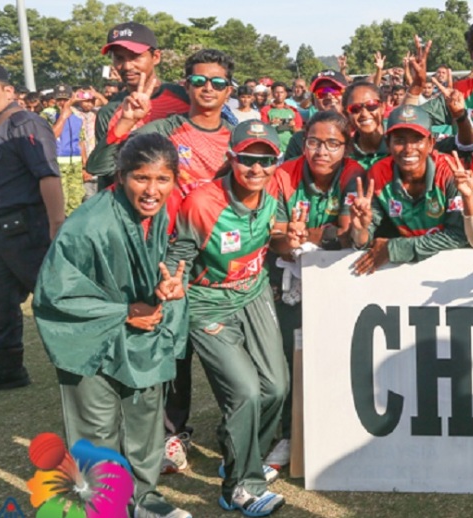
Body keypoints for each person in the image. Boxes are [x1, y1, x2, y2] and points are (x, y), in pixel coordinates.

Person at [86, 49, 237, 476]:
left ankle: (235, 429)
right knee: (172, 349)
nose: (208, 88)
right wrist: (126, 124)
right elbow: (101, 166)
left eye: (218, 82)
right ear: (186, 84)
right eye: (199, 80)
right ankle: (172, 432)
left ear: (229, 89)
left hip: (223, 258)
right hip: (168, 256)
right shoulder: (163, 130)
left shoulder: (238, 136)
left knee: (228, 353)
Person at [32, 133, 192, 518]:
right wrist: (123, 312)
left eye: (162, 179)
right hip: (90, 337)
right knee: (96, 430)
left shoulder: (159, 214)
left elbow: (159, 265)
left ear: (175, 180)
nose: (152, 190)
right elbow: (54, 295)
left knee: (145, 423)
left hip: (141, 334)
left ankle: (143, 499)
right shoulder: (89, 224)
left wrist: (168, 288)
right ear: (121, 176)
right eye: (141, 178)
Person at [167, 120, 288, 515]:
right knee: (245, 392)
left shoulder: (275, 188)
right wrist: (169, 292)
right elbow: (179, 256)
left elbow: (274, 232)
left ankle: (239, 448)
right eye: (248, 159)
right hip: (208, 302)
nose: (257, 168)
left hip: (254, 292)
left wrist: (291, 236)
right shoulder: (203, 202)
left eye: (266, 160)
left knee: (275, 388)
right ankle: (241, 487)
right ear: (231, 158)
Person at [263, 110, 366, 469]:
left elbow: (347, 235)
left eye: (332, 144)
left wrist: (305, 234)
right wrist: (290, 241)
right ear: (303, 142)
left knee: (335, 354)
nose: (322, 151)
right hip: (288, 276)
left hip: (337, 277)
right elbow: (275, 236)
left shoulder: (353, 173)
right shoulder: (284, 174)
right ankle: (289, 434)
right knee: (290, 355)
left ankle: (335, 430)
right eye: (314, 142)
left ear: (346, 146)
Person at [0, 62, 65, 396]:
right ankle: (8, 368)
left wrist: (57, 226)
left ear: (8, 91)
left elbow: (48, 175)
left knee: (55, 303)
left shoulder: (24, 123)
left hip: (29, 230)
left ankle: (87, 368)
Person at [343, 105, 473, 275]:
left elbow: (459, 236)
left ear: (431, 143)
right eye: (399, 141)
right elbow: (365, 239)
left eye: (417, 140)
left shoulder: (449, 171)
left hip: (456, 269)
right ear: (388, 144)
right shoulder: (378, 174)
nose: (408, 149)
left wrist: (396, 248)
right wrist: (360, 231)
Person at [89, 22, 190, 179]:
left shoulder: (185, 98)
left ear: (156, 57)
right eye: (119, 58)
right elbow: (104, 172)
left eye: (135, 57)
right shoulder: (109, 112)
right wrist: (125, 123)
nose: (127, 66)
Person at [281, 69, 349, 160]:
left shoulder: (360, 134)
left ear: (347, 96)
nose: (329, 95)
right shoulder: (299, 140)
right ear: (313, 101)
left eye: (335, 90)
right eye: (321, 92)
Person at [51, 85, 92, 214]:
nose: (63, 103)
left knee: (76, 201)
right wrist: (62, 117)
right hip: (57, 165)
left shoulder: (77, 117)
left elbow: (80, 141)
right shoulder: (48, 115)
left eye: (66, 100)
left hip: (75, 165)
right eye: (59, 100)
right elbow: (51, 136)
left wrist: (85, 165)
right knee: (60, 202)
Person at [261, 82, 302, 153]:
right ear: (272, 94)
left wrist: (293, 126)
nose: (279, 95)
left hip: (289, 148)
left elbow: (299, 132)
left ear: (286, 94)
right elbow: (261, 131)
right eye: (276, 92)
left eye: (281, 92)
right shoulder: (265, 110)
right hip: (272, 148)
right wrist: (270, 124)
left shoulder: (293, 110)